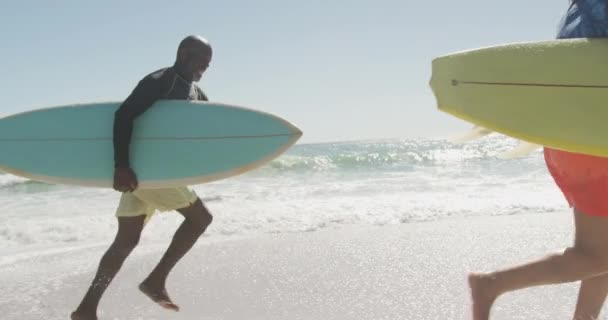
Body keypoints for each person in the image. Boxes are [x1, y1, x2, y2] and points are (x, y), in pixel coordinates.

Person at [468, 1, 608, 319]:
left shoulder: (582, 12)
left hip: (572, 134)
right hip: (592, 139)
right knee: (596, 255)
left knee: (602, 252)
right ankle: (490, 284)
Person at [71, 35, 214, 320]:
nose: (205, 69)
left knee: (125, 241)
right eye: (202, 61)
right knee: (201, 219)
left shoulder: (195, 92)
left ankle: (86, 309)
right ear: (185, 53)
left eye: (208, 64)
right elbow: (124, 116)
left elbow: (206, 128)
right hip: (150, 174)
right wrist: (120, 165)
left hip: (145, 173)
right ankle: (155, 280)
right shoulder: (161, 80)